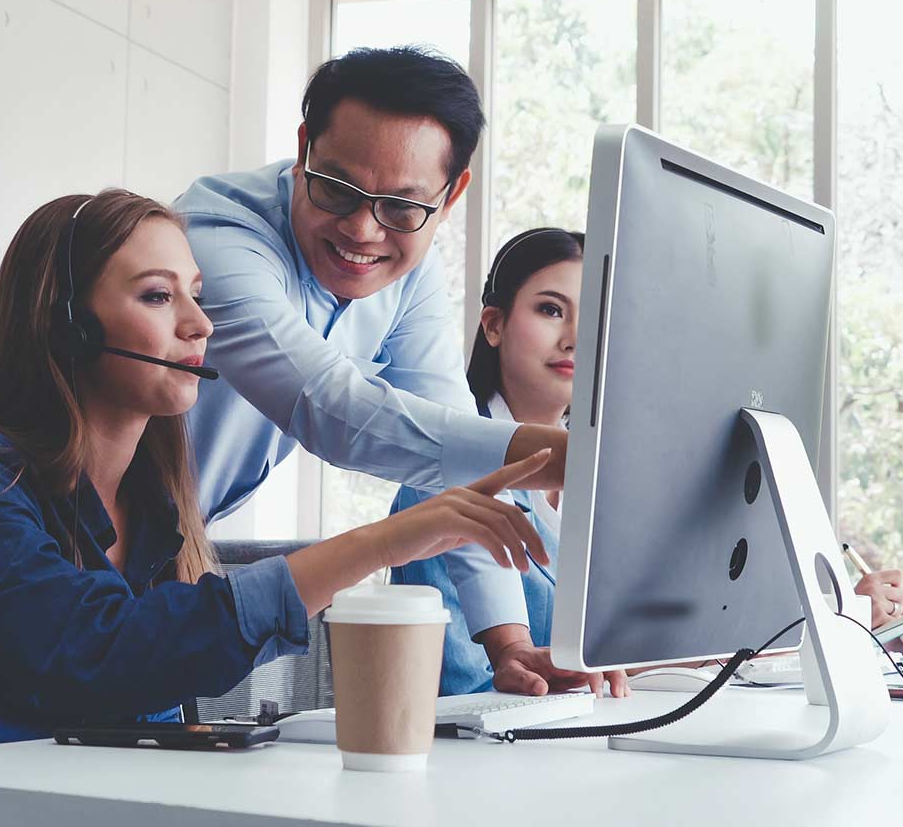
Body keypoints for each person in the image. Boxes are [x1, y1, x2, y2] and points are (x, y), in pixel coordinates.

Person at [0, 190, 553, 758]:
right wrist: (380, 543)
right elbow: (102, 653)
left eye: (196, 292)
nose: (201, 325)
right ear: (67, 326)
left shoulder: (154, 505)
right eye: (158, 297)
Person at [175, 46, 605, 696]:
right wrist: (555, 456)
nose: (363, 231)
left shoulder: (413, 275)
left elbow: (451, 458)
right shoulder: (217, 235)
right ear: (303, 149)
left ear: (452, 193)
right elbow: (328, 406)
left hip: (167, 550)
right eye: (337, 189)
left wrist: (510, 646)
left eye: (401, 208)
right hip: (58, 536)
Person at [391, 228, 903, 697]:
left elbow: (663, 644)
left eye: (597, 319)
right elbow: (464, 692)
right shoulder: (439, 486)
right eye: (550, 309)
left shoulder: (614, 488)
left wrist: (850, 619)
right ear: (493, 324)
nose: (576, 338)